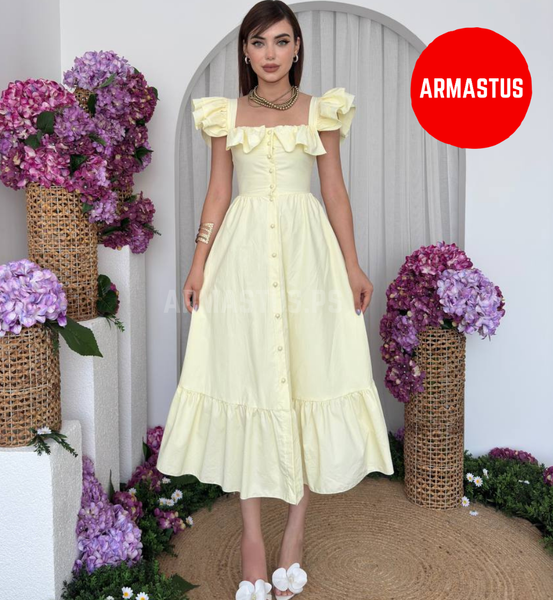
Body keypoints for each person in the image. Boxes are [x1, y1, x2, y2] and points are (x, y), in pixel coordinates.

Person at [156, 1, 394, 598]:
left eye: (281, 41)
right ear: (245, 50)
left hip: (306, 254)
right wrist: (198, 262)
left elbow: (334, 191)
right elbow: (218, 192)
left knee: (305, 375)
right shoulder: (224, 114)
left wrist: (352, 264)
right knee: (249, 379)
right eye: (259, 42)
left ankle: (293, 532)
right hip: (240, 258)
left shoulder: (321, 111)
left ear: (296, 48)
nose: (270, 54)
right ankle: (252, 540)